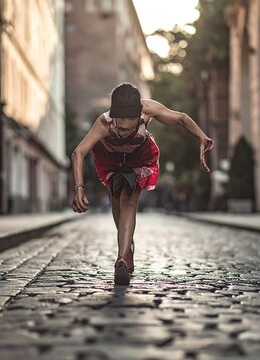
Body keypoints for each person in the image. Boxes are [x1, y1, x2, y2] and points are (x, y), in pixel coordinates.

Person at [70, 83, 214, 285]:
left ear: (140, 115)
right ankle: (127, 245)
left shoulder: (148, 110)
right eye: (120, 128)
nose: (126, 133)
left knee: (129, 201)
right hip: (110, 160)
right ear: (114, 116)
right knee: (116, 200)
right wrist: (79, 188)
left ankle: (121, 260)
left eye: (131, 128)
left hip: (139, 158)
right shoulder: (103, 123)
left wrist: (202, 136)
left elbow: (180, 117)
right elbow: (79, 152)